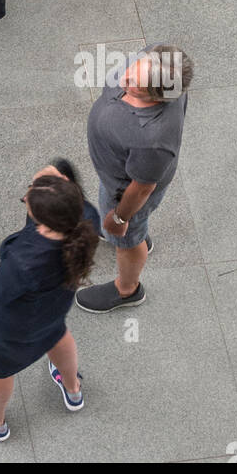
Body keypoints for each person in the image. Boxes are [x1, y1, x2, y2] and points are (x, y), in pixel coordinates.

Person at [0, 163, 100, 443]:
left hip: (11, 330)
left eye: (28, 199)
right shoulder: (87, 217)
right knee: (58, 334)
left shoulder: (25, 262)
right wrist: (54, 185)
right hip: (53, 310)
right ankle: (73, 388)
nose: (27, 196)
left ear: (43, 222)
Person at [77, 44, 194, 314]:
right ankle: (132, 232)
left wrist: (119, 218)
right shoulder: (161, 63)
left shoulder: (153, 140)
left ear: (158, 97)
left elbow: (142, 189)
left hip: (125, 193)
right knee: (127, 228)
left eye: (135, 85)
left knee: (128, 238)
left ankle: (127, 289)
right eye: (133, 68)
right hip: (115, 176)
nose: (124, 78)